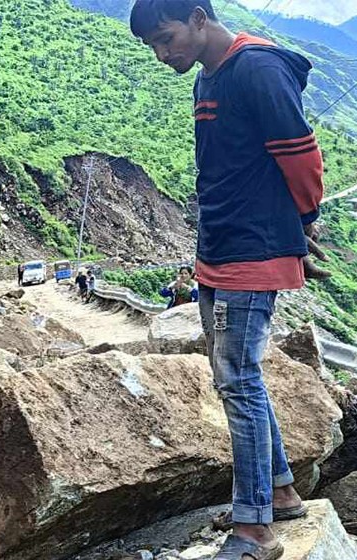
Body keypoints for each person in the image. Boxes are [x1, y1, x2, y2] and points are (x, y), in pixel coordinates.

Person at [131, 2, 324, 558]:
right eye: (153, 47)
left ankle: (254, 529)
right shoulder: (208, 79)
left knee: (237, 379)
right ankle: (279, 493)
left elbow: (302, 158)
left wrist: (302, 225)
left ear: (197, 17)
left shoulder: (258, 69)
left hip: (252, 251)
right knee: (237, 377)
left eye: (167, 39)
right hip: (218, 248)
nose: (163, 54)